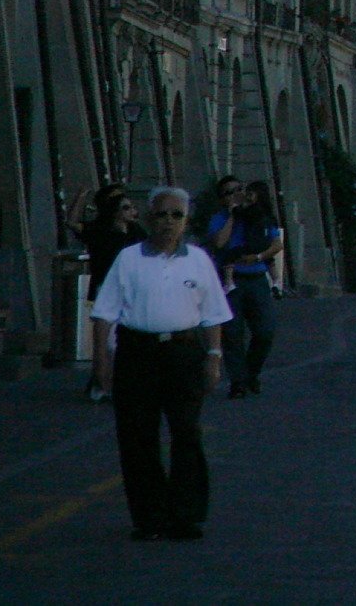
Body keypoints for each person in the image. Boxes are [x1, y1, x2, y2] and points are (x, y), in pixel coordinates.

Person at [88, 185, 232, 541]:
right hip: (138, 353)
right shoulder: (129, 258)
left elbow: (213, 315)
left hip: (183, 353)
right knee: (138, 437)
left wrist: (214, 358)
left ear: (186, 220)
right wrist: (101, 363)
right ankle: (149, 518)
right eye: (161, 214)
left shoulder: (198, 260)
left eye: (176, 215)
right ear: (149, 218)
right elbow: (104, 313)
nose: (168, 222)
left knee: (186, 432)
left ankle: (186, 515)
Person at [207, 183, 284, 395]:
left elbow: (275, 241)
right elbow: (219, 243)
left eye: (239, 189)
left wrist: (259, 257)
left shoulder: (257, 214)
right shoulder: (220, 218)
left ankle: (250, 372)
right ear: (222, 198)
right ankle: (238, 383)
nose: (236, 195)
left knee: (265, 331)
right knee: (232, 333)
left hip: (257, 277)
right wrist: (232, 216)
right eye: (228, 193)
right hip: (231, 279)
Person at [75, 185, 142, 401]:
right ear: (115, 211)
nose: (131, 211)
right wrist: (80, 197)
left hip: (131, 291)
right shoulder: (101, 231)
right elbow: (73, 223)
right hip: (106, 289)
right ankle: (101, 383)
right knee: (108, 340)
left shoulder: (137, 232)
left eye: (131, 207)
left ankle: (112, 382)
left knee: (127, 339)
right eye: (126, 207)